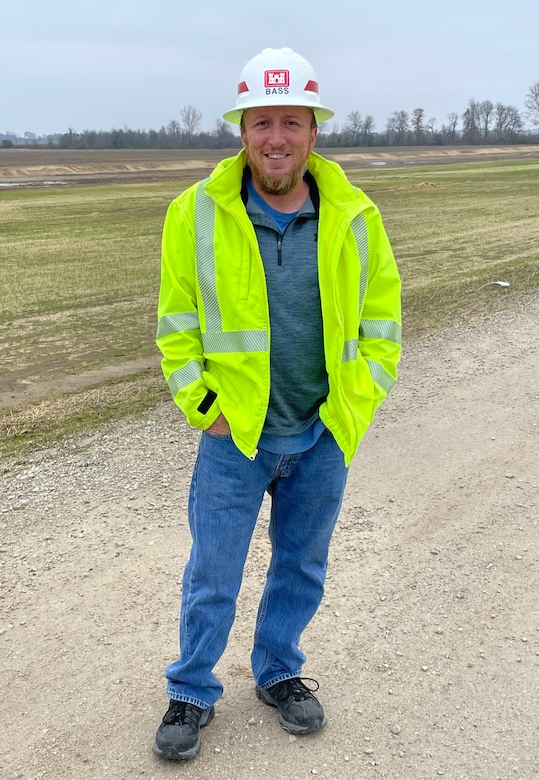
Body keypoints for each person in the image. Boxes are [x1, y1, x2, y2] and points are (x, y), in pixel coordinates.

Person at [153, 47, 402, 760]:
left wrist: (354, 404)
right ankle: (192, 688)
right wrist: (207, 408)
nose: (275, 137)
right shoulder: (193, 213)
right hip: (234, 437)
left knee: (301, 566)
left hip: (321, 434)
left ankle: (279, 671)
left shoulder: (355, 216)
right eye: (262, 121)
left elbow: (382, 323)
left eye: (290, 121)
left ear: (314, 130)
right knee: (213, 572)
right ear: (241, 130)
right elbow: (176, 328)